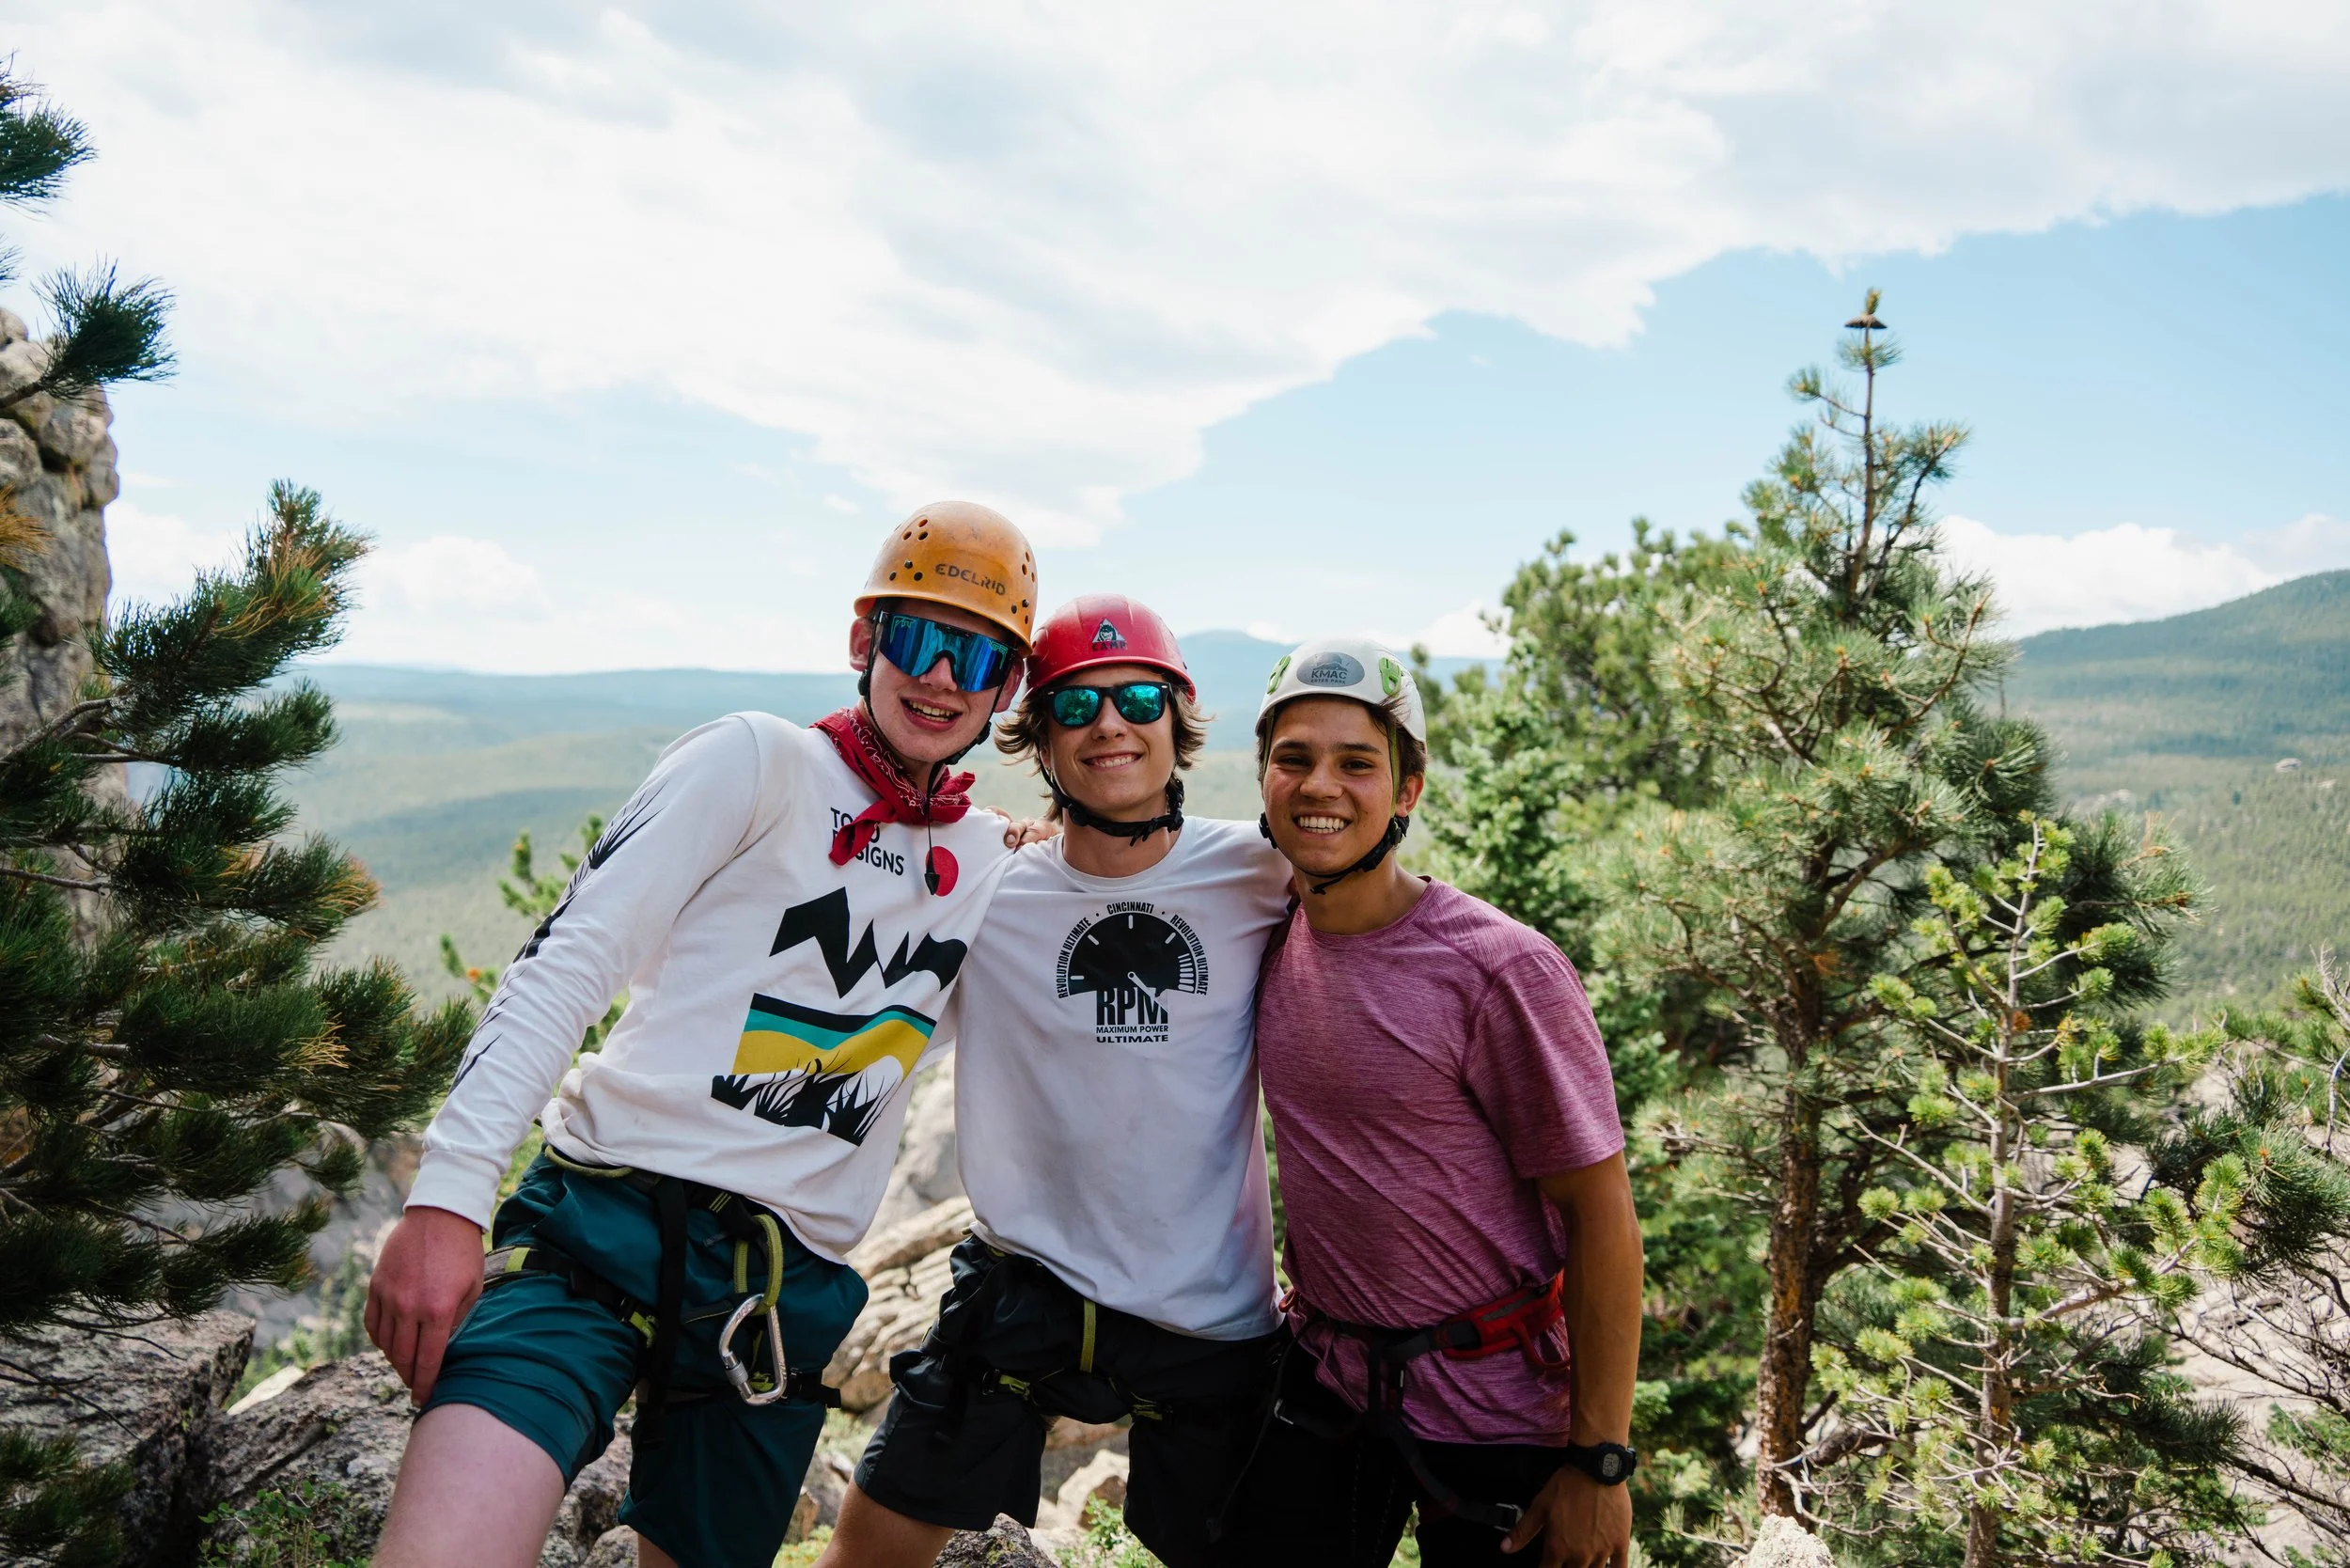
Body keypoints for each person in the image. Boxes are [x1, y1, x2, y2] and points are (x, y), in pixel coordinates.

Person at [364, 503, 1042, 1568]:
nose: (944, 676)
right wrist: (447, 1198)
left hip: (778, 1296)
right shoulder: (754, 765)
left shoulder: (1001, 868)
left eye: (979, 656)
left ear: (1005, 692)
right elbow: (570, 960)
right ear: (863, 640)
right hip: (597, 1232)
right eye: (919, 637)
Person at [820, 595, 1294, 1568]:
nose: (1109, 725)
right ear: (1039, 740)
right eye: (1075, 708)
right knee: (869, 1548)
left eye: (1136, 700)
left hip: (1205, 1312)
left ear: (1177, 722)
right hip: (1020, 1289)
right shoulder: (988, 888)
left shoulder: (1258, 877)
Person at [1223, 638, 1646, 1568]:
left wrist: (1600, 1461)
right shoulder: (1265, 927)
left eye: (1355, 763)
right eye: (1293, 759)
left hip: (1498, 1413)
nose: (1319, 785)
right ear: (1261, 779)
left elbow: (1601, 1211)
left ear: (1406, 790)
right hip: (1331, 1386)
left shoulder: (1496, 970)